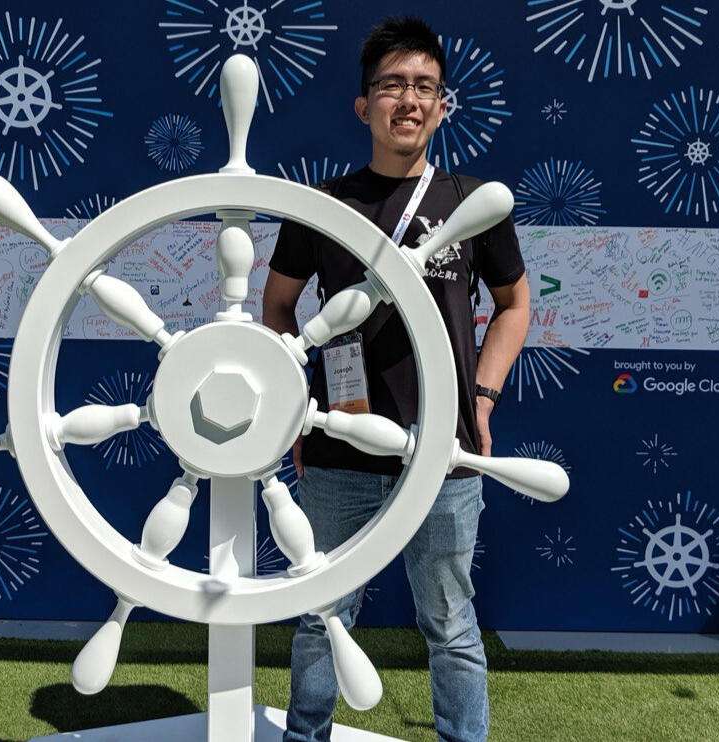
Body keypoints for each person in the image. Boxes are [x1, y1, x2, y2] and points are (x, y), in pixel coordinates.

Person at [261, 16, 531, 742]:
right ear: (363, 105)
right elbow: (279, 306)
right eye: (392, 86)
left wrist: (482, 393)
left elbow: (514, 304)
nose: (408, 100)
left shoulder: (472, 202)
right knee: (323, 616)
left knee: (450, 622)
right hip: (340, 454)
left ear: (443, 105)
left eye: (424, 87)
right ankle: (304, 734)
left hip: (445, 453)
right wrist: (296, 408)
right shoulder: (322, 205)